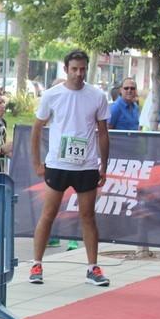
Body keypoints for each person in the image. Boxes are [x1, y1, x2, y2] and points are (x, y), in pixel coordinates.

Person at [29, 49, 111, 287]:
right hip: (58, 164)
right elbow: (36, 129)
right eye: (74, 69)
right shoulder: (52, 95)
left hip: (86, 166)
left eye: (83, 69)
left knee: (88, 216)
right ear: (66, 69)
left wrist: (104, 165)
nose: (78, 73)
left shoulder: (97, 96)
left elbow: (103, 133)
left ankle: (93, 268)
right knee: (48, 214)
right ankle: (36, 264)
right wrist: (37, 162)